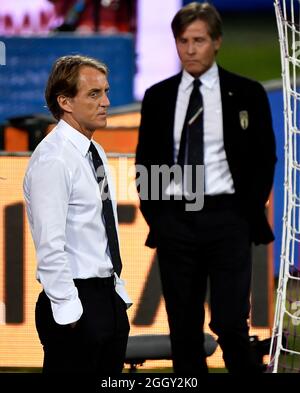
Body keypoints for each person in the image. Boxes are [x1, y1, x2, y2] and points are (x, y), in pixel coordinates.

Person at [135, 2, 276, 374]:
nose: (190, 49)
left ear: (217, 42)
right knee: (183, 329)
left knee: (230, 323)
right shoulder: (158, 96)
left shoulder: (247, 93)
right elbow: (146, 163)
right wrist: (160, 217)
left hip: (228, 219)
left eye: (198, 40)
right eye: (183, 41)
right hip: (176, 221)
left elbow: (266, 159)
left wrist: (244, 213)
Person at [23, 55, 131, 374]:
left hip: (106, 297)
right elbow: (50, 246)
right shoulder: (53, 160)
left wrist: (116, 292)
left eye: (106, 92)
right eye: (94, 94)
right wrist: (69, 311)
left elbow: (98, 231)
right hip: (77, 304)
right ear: (65, 101)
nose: (106, 102)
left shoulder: (93, 151)